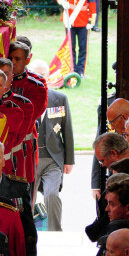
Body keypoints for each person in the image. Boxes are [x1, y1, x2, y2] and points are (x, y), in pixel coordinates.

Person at [30, 59, 75, 231]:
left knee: (51, 195)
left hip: (52, 158)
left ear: (48, 77)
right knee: (29, 198)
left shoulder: (59, 99)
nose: (39, 78)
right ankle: (27, 230)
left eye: (42, 75)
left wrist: (69, 160)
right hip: (31, 159)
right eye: (35, 74)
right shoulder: (25, 98)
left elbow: (67, 129)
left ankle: (55, 230)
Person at [8, 41, 48, 185]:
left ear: (27, 60)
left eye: (17, 59)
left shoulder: (35, 85)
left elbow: (29, 115)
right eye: (10, 58)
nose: (12, 63)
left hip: (23, 146)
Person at [0, 57, 35, 179]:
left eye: (4, 74)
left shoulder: (21, 106)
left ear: (11, 76)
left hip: (11, 162)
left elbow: (14, 141)